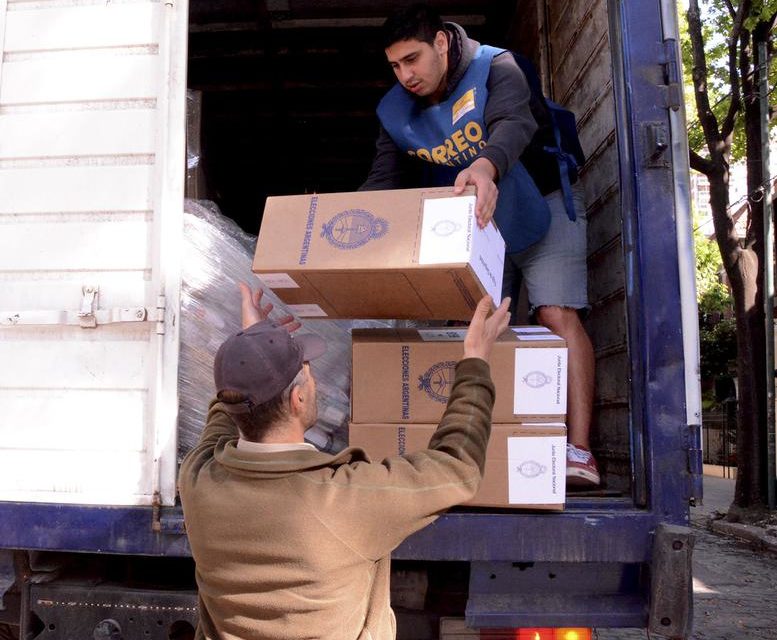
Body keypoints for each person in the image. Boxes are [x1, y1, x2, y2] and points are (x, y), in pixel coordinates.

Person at [178, 286, 511, 640]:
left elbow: (225, 412)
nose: (314, 380)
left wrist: (254, 347)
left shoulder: (199, 480)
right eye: (308, 371)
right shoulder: (344, 499)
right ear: (298, 397)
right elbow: (457, 467)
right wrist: (475, 360)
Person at [360, 3, 599, 487]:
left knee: (555, 313)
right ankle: (477, 445)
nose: (405, 75)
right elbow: (382, 180)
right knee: (471, 324)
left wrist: (487, 167)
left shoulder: (499, 65)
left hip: (542, 203)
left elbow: (514, 123)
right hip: (476, 222)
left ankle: (580, 451)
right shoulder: (395, 110)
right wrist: (347, 225)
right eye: (395, 66)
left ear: (442, 44)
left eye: (413, 59)